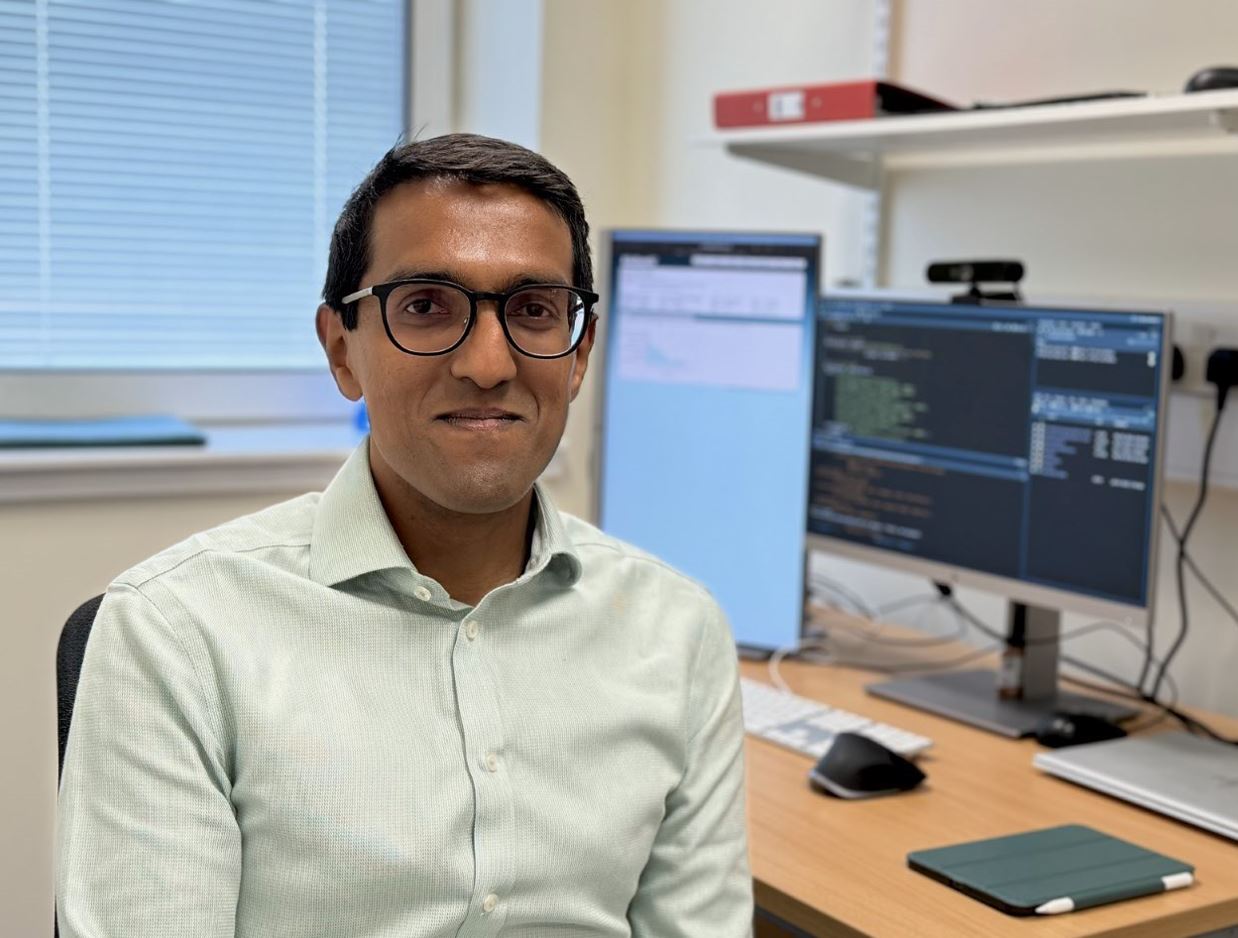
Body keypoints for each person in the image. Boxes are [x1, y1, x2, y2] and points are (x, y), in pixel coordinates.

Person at [56, 133, 752, 937]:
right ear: (341, 349)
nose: (489, 364)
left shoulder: (678, 631)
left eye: (533, 310)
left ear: (580, 353)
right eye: (426, 306)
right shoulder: (176, 633)